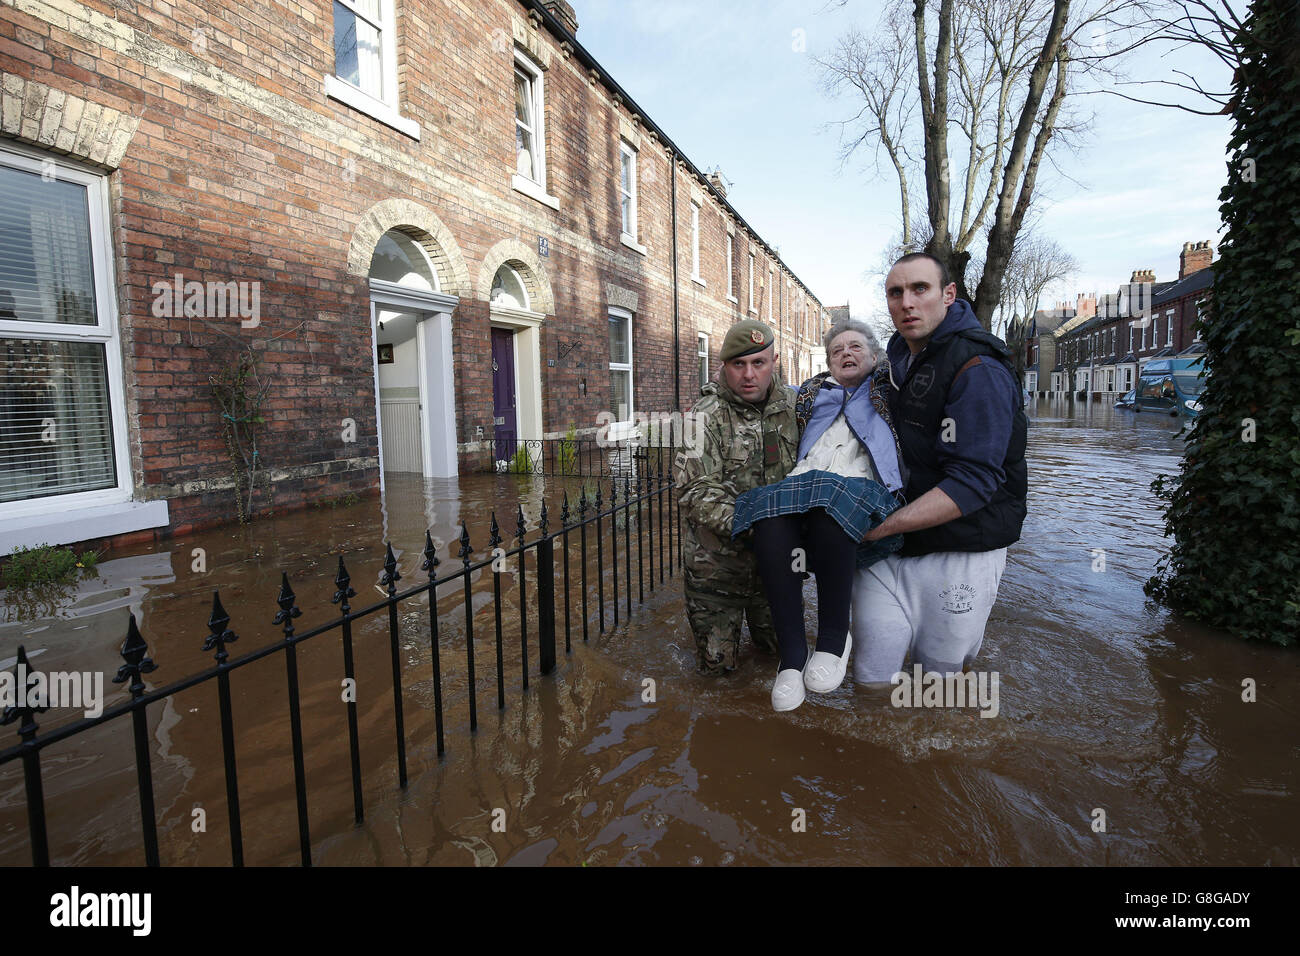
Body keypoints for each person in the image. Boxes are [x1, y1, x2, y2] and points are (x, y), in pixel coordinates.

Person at [854, 252, 1028, 683]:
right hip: (893, 548)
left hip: (961, 550)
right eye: (896, 292)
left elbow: (972, 483)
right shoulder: (895, 357)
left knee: (940, 689)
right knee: (872, 678)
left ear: (948, 294)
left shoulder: (979, 367)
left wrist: (879, 527)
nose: (907, 303)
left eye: (920, 289)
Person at [732, 321, 905, 711]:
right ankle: (792, 658)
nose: (846, 353)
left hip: (862, 487)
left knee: (831, 508)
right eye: (837, 350)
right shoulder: (811, 393)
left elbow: (920, 369)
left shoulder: (891, 389)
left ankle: (833, 637)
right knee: (768, 515)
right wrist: (711, 397)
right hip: (805, 482)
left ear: (875, 357)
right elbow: (757, 390)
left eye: (856, 347)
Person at [674, 319, 799, 675]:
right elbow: (695, 490)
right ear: (724, 366)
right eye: (738, 364)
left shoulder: (795, 408)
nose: (748, 374)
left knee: (782, 663)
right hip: (716, 572)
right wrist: (762, 527)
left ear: (773, 362)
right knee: (717, 677)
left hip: (776, 571)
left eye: (758, 363)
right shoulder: (703, 417)